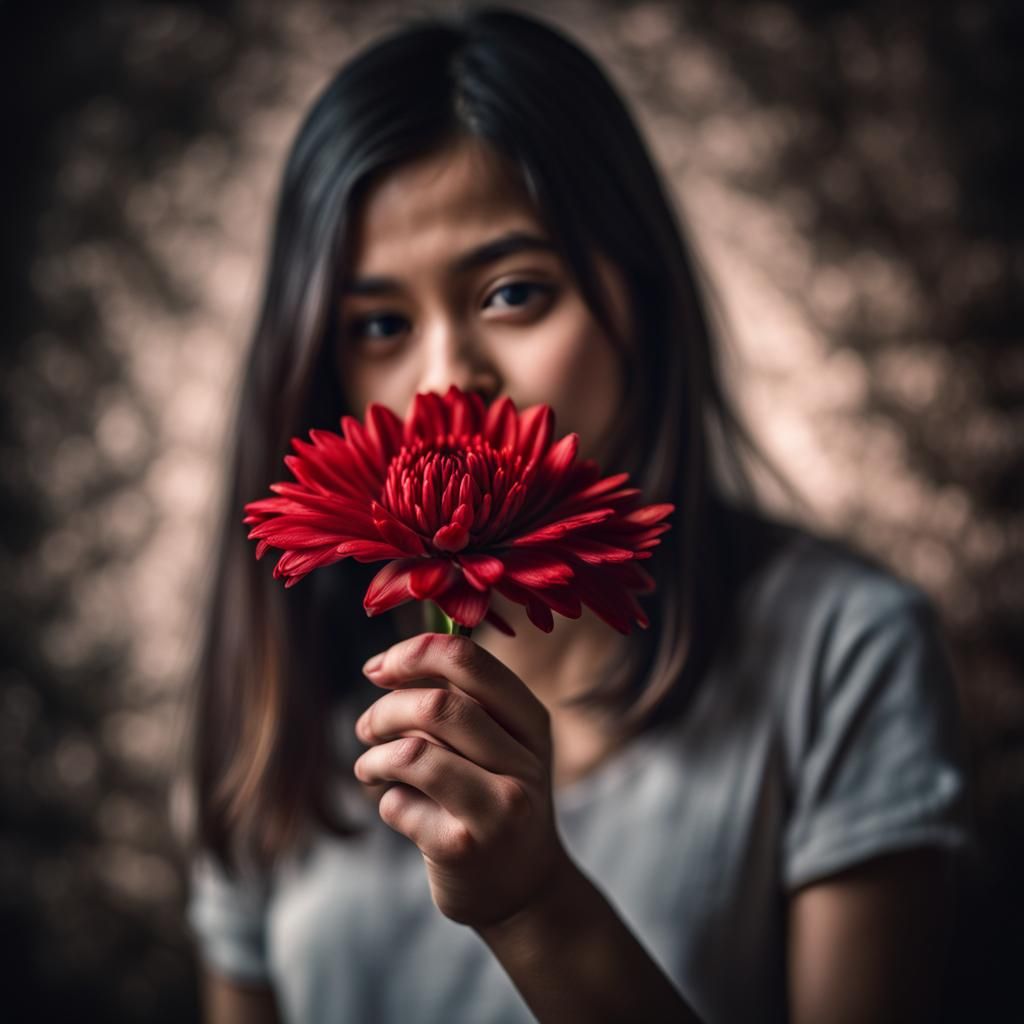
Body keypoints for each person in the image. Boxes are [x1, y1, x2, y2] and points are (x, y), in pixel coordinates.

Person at [181, 7, 973, 1023]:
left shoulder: (843, 651)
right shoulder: (274, 689)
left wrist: (536, 908)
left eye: (513, 294)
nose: (445, 382)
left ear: (637, 299)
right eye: (379, 324)